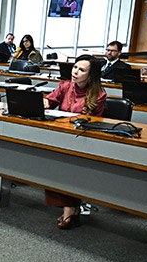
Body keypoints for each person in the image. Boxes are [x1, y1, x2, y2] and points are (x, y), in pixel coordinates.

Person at [42, 55, 107, 229]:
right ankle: (70, 207)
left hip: (83, 140)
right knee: (55, 161)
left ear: (91, 74)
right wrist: (45, 102)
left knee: (67, 164)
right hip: (60, 136)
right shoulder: (65, 86)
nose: (76, 72)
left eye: (82, 70)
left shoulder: (99, 95)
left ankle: (69, 209)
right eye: (75, 67)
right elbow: (50, 100)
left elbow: (92, 120)